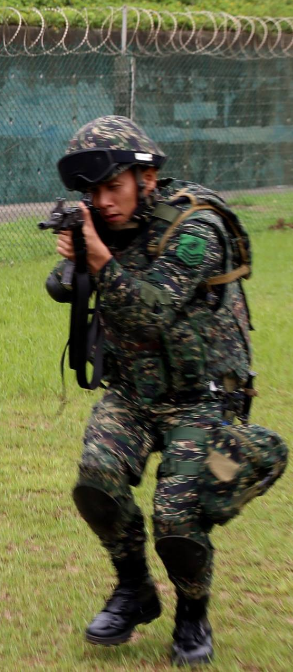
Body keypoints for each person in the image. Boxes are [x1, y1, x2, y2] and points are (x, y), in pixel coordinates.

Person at [49, 116, 286, 666]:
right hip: (134, 391)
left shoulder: (198, 227)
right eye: (93, 192)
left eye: (114, 187)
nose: (103, 202)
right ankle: (134, 590)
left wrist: (97, 256)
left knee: (177, 517)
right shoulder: (108, 225)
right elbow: (63, 287)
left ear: (146, 179)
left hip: (203, 396)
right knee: (96, 483)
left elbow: (153, 311)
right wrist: (74, 258)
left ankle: (192, 611)